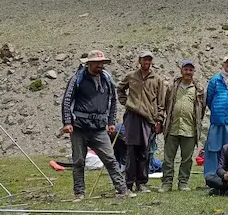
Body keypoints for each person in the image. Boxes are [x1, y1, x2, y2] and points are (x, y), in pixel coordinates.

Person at [61, 50, 132, 200]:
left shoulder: (107, 79)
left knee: (110, 159)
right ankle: (79, 193)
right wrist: (67, 122)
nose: (100, 65)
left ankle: (122, 189)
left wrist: (111, 122)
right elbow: (67, 100)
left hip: (99, 128)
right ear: (89, 63)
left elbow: (113, 101)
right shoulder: (77, 79)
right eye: (97, 63)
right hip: (79, 127)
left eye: (102, 63)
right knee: (79, 161)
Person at [117, 50, 166, 193]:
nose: (147, 62)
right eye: (144, 60)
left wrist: (159, 119)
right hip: (132, 117)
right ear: (139, 61)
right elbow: (120, 88)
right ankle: (129, 183)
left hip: (148, 119)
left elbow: (161, 102)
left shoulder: (157, 79)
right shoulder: (131, 76)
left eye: (149, 60)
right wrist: (125, 102)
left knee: (144, 152)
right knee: (131, 150)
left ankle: (142, 182)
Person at [161, 60, 206, 192]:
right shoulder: (172, 87)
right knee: (168, 158)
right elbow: (166, 103)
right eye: (186, 69)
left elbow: (201, 109)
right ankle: (167, 183)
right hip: (172, 128)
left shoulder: (198, 89)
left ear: (194, 72)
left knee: (186, 159)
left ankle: (183, 183)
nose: (188, 72)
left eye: (191, 70)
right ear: (181, 70)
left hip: (190, 129)